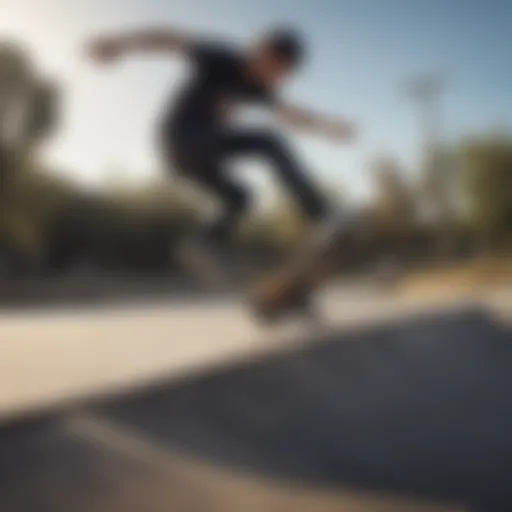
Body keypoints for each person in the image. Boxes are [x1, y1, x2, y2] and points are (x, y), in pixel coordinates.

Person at [87, 25, 356, 279]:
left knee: (241, 197)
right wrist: (119, 43)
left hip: (197, 158)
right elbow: (170, 40)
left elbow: (290, 115)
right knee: (268, 141)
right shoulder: (221, 58)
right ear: (261, 51)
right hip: (181, 138)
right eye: (273, 68)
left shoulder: (259, 89)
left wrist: (327, 126)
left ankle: (202, 243)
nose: (273, 78)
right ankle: (321, 217)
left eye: (281, 75)